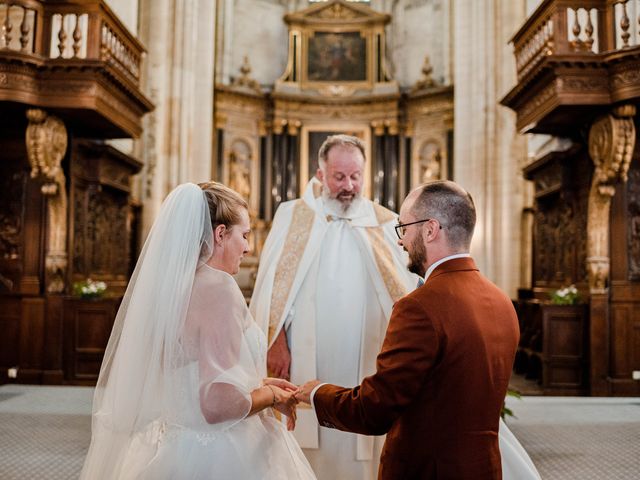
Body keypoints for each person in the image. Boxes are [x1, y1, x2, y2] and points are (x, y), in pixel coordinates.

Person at [297, 180, 541, 480]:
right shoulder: (501, 301)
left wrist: (316, 393)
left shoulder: (420, 306)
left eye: (404, 228)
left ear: (430, 229)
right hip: (485, 468)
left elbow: (375, 411)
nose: (400, 241)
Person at [80, 182, 315, 480]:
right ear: (220, 234)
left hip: (175, 446)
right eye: (244, 235)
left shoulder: (171, 288)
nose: (247, 247)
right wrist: (269, 395)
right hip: (222, 453)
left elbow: (193, 372)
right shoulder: (219, 289)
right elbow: (216, 403)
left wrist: (257, 382)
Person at [250, 134, 418, 479]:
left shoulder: (385, 222)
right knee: (305, 437)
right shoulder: (293, 215)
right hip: (303, 355)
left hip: (367, 354)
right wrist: (275, 340)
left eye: (356, 176)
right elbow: (272, 287)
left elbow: (405, 291)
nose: (349, 185)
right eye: (339, 176)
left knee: (363, 437)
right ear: (320, 173)